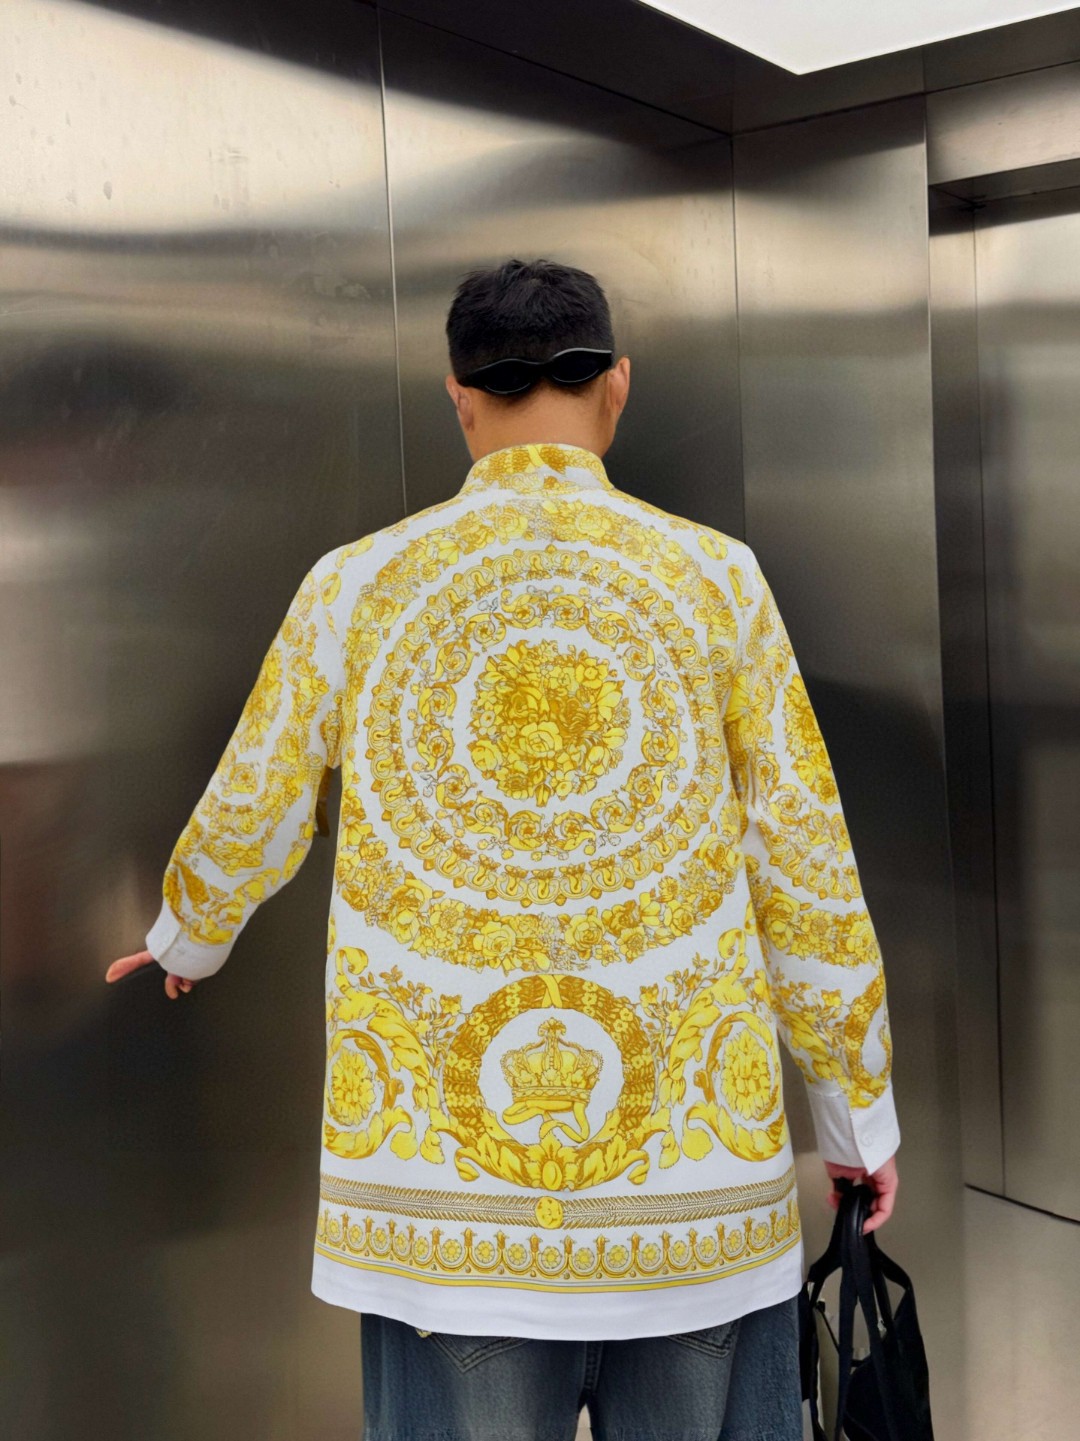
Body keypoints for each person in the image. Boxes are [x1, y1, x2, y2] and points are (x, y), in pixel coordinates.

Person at [107, 258, 900, 1440]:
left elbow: (252, 799)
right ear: (617, 384)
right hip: (692, 1197)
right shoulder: (717, 579)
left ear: (460, 398)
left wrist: (190, 936)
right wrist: (855, 1119)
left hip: (441, 1209)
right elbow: (804, 861)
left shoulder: (355, 583)